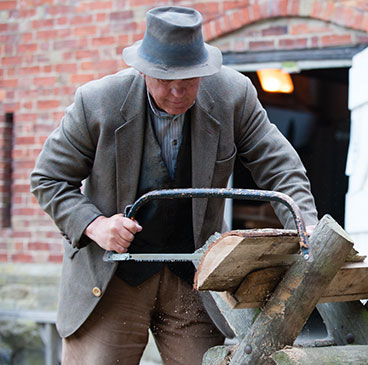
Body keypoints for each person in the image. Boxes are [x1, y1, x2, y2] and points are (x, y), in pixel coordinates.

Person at [30, 6, 318, 364]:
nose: (179, 91)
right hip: (112, 274)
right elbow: (48, 178)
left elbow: (280, 166)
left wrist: (305, 227)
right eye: (166, 79)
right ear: (144, 69)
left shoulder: (233, 95)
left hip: (193, 272)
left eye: (191, 78)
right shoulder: (97, 102)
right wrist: (95, 224)